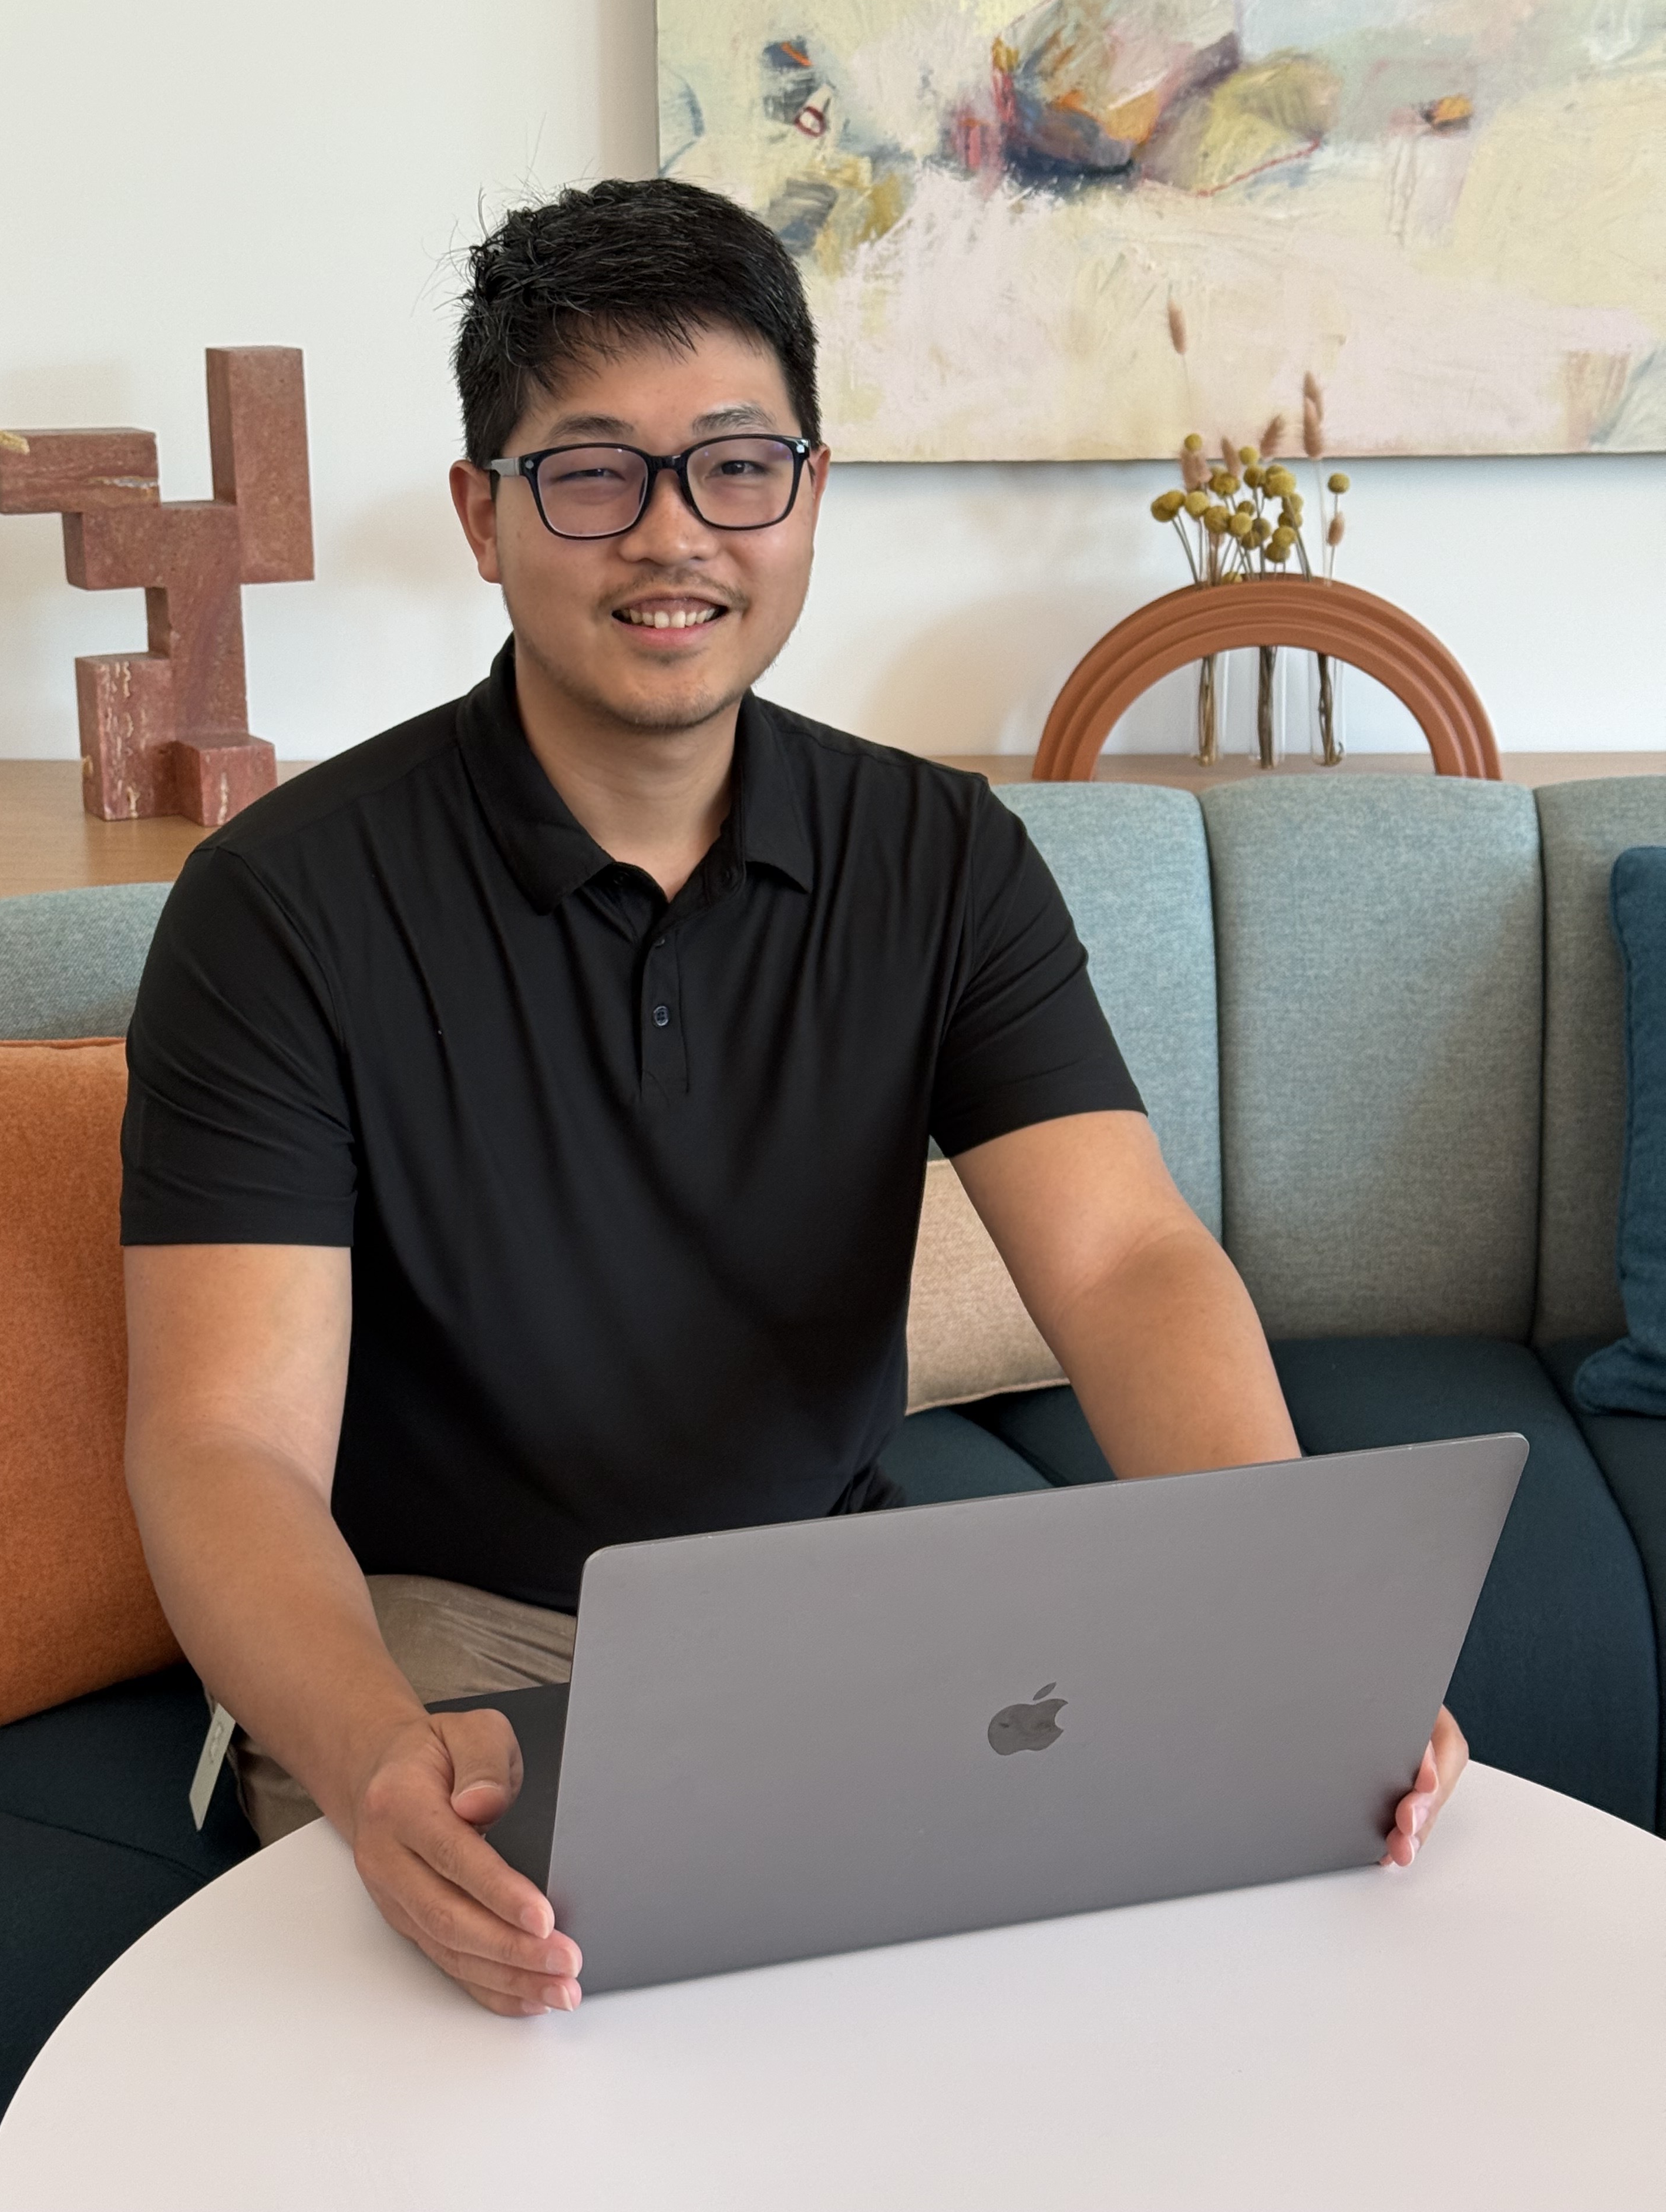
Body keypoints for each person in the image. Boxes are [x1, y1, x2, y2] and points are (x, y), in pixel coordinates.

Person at [122, 177, 1463, 2021]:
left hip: (827, 1597)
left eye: (737, 466)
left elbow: (1126, 1261)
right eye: (591, 474)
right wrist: (369, 1754)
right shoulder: (283, 907)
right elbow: (226, 1441)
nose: (672, 534)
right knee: (547, 2029)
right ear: (481, 515)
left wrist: (1299, 1610)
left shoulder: (944, 858)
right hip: (441, 1630)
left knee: (1094, 1981)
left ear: (811, 494)